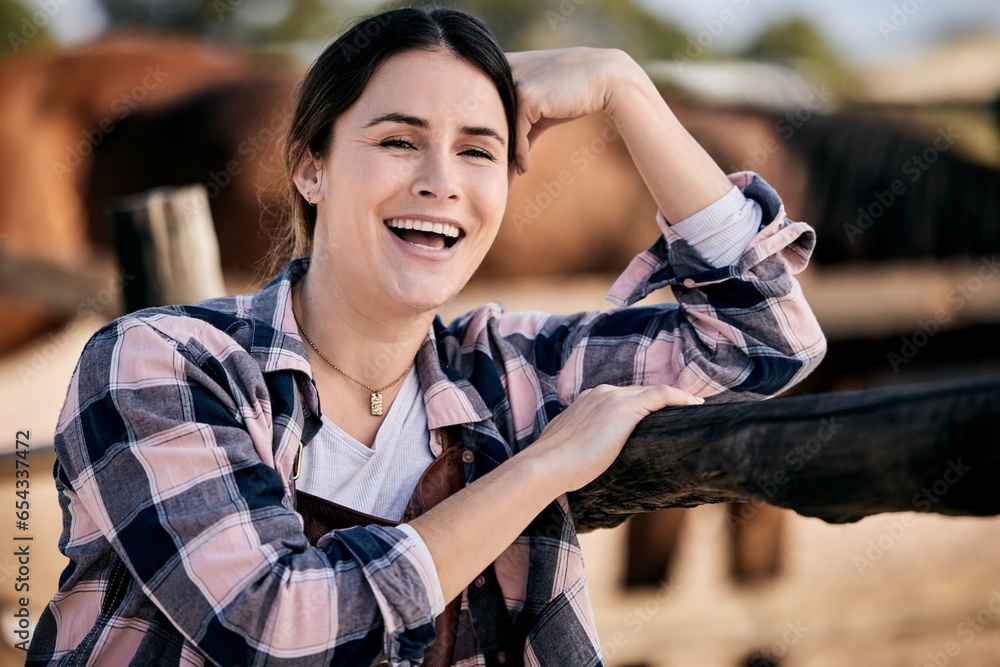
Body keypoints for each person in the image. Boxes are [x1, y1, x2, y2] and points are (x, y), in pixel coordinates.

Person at [27, 6, 826, 666]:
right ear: (311, 167)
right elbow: (275, 632)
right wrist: (543, 467)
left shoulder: (501, 373)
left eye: (477, 149)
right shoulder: (159, 361)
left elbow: (768, 336)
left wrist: (626, 89)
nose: (440, 180)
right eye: (398, 140)